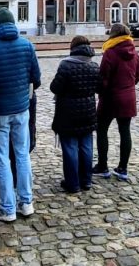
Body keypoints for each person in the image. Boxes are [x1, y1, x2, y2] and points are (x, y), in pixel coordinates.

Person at [0, 8, 41, 222]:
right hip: (21, 109)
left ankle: (7, 207)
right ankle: (26, 202)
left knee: (2, 158)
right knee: (22, 155)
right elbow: (37, 79)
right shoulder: (27, 45)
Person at [50, 36, 99, 193]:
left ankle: (72, 183)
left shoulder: (66, 65)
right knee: (86, 145)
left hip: (68, 113)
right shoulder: (94, 65)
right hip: (88, 111)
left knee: (70, 147)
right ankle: (86, 180)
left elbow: (55, 87)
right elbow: (99, 87)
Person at [93, 24, 139, 181]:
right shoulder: (134, 53)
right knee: (125, 131)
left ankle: (102, 166)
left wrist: (100, 91)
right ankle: (123, 168)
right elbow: (137, 77)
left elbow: (103, 77)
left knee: (101, 130)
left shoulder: (110, 53)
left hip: (110, 97)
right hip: (128, 97)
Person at [0, 90, 36, 192]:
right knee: (19, 151)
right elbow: (35, 79)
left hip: (2, 100)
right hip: (22, 98)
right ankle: (19, 188)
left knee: (1, 149)